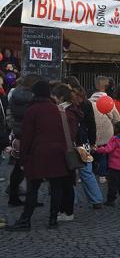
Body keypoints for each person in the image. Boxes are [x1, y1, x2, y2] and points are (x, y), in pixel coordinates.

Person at [8, 81, 76, 231]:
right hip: (58, 152)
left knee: (33, 187)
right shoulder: (58, 110)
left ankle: (25, 220)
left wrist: (23, 158)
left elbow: (27, 137)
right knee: (56, 187)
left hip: (38, 153)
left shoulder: (32, 110)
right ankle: (53, 220)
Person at [64, 78, 103, 210]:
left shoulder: (67, 107)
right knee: (86, 171)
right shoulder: (86, 104)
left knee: (72, 172)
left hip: (74, 142)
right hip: (83, 142)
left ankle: (72, 200)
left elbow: (91, 124)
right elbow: (91, 124)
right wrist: (92, 142)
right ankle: (96, 199)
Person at [5, 74, 38, 206]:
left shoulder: (15, 94)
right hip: (29, 134)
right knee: (27, 167)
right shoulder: (31, 98)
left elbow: (10, 113)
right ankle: (29, 198)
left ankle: (14, 195)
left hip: (19, 132)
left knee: (19, 166)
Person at [51, 83, 81, 222]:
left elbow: (70, 133)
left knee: (66, 183)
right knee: (66, 182)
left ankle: (67, 211)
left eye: (55, 97)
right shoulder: (69, 110)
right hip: (67, 148)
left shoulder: (66, 112)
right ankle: (65, 209)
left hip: (66, 149)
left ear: (61, 97)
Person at [89, 76, 120, 182]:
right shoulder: (109, 101)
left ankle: (89, 173)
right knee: (103, 154)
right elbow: (117, 118)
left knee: (90, 152)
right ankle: (102, 175)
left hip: (91, 132)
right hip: (106, 132)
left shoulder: (88, 102)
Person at [94, 121, 120, 206]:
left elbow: (108, 149)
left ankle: (111, 200)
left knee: (113, 184)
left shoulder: (115, 139)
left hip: (115, 166)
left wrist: (97, 149)